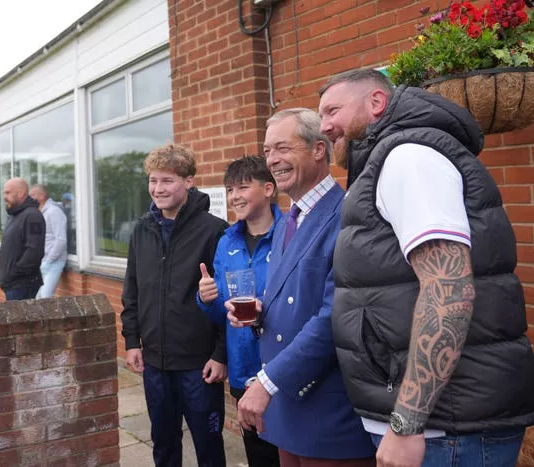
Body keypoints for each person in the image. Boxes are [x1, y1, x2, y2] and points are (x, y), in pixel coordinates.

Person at [319, 69, 534, 466]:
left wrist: (407, 423)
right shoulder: (390, 159)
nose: (324, 126)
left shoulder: (408, 157)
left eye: (332, 110)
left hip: (445, 430)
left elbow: (448, 289)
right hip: (440, 424)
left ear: (376, 103)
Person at [228, 108, 376, 466]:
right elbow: (295, 297)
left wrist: (267, 382)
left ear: (318, 150)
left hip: (327, 413)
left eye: (282, 148)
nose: (272, 160)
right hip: (288, 410)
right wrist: (261, 313)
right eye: (267, 151)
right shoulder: (287, 219)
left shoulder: (347, 214)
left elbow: (334, 316)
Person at [121, 143, 228, 467]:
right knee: (163, 444)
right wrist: (131, 341)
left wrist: (220, 355)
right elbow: (132, 290)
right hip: (154, 363)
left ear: (188, 181)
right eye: (153, 181)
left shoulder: (214, 231)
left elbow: (227, 300)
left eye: (167, 181)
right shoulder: (141, 230)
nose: (158, 189)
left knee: (209, 446)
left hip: (200, 366)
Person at [197, 155, 281, 467]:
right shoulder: (226, 241)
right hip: (243, 368)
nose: (234, 197)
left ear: (268, 189)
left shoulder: (290, 233)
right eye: (230, 190)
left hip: (282, 368)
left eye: (243, 187)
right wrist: (206, 299)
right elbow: (221, 314)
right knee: (258, 454)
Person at [0, 178, 45, 301]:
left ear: (21, 193)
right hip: (12, 285)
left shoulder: (33, 216)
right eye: (4, 193)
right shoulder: (14, 215)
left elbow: (35, 251)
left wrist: (14, 273)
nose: (4, 197)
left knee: (20, 320)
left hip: (22, 284)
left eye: (8, 192)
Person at [29, 184, 67, 299]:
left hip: (54, 261)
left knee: (46, 297)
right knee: (38, 297)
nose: (29, 198)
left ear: (42, 196)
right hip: (43, 261)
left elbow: (61, 239)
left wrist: (49, 260)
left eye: (32, 195)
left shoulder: (54, 211)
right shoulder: (40, 212)